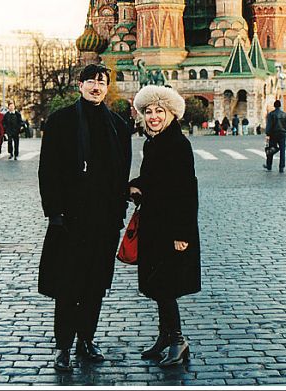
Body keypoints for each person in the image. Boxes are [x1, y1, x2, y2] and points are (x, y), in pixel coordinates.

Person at [38, 64, 132, 373]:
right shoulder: (61, 122)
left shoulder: (118, 126)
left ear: (107, 88)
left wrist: (118, 213)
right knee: (67, 286)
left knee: (94, 286)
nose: (95, 86)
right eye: (90, 80)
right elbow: (48, 172)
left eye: (101, 82)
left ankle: (86, 341)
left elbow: (122, 174)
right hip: (69, 221)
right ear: (80, 85)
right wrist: (54, 213)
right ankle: (63, 346)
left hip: (103, 222)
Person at [129, 85, 201, 367]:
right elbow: (152, 179)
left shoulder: (177, 144)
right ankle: (164, 337)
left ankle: (178, 341)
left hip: (171, 228)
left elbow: (186, 191)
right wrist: (134, 186)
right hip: (154, 226)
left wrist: (181, 234)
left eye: (159, 111)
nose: (153, 116)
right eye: (148, 112)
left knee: (167, 286)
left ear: (171, 114)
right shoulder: (154, 142)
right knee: (157, 286)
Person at [265, 99, 286, 173]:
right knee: (282, 150)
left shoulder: (271, 114)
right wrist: (285, 129)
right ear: (280, 106)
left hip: (273, 134)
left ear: (274, 106)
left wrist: (267, 133)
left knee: (271, 149)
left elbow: (269, 125)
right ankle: (281, 167)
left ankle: (269, 165)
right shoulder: (284, 114)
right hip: (282, 134)